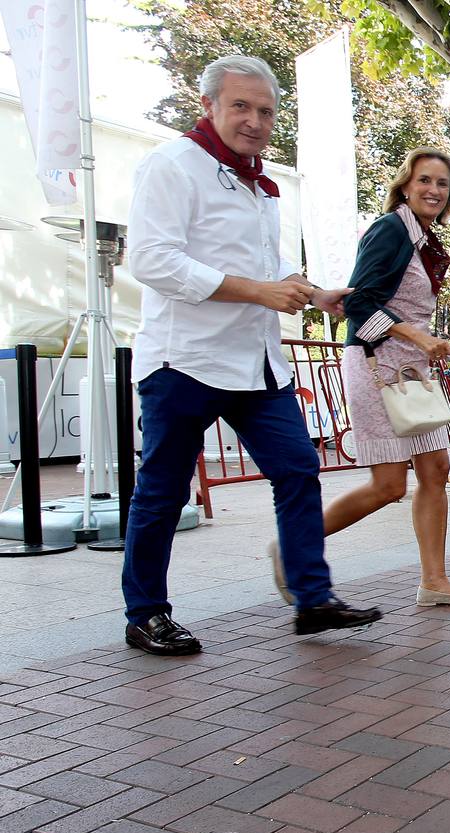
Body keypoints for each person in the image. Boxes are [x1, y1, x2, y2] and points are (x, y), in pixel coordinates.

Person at [121, 55, 382, 655]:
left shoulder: (262, 184)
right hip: (184, 359)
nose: (256, 121)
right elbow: (152, 261)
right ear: (208, 106)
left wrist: (314, 294)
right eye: (241, 106)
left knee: (298, 469)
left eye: (265, 111)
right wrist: (260, 291)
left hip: (257, 364)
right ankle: (146, 614)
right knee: (163, 491)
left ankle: (312, 601)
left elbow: (267, 272)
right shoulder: (172, 165)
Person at [319, 148, 450, 608]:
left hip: (411, 366)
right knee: (389, 485)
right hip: (377, 363)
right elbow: (357, 304)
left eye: (443, 184)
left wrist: (426, 342)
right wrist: (418, 335)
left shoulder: (424, 239)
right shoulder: (390, 228)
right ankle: (296, 544)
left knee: (436, 469)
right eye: (425, 181)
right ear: (406, 186)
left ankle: (435, 582)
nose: (434, 190)